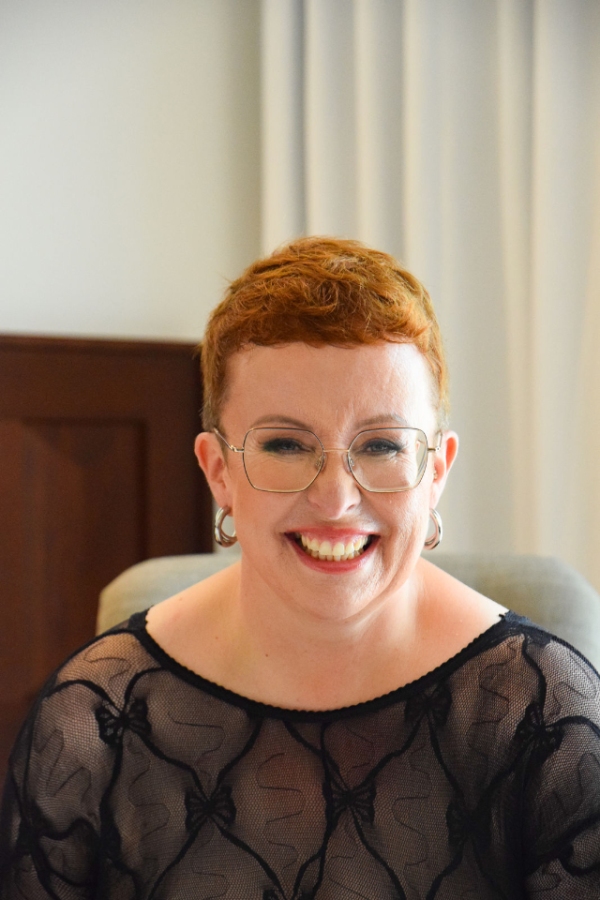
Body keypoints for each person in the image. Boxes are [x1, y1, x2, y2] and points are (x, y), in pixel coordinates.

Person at [1, 236, 600, 898]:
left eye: (381, 445)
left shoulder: (550, 721)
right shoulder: (92, 721)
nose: (336, 499)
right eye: (286, 444)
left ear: (435, 472)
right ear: (218, 471)